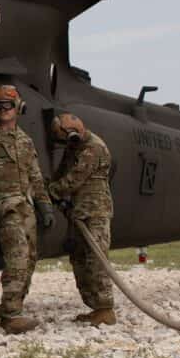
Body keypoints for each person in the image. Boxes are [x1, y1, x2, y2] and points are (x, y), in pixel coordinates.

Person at [0, 85, 55, 334]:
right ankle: (10, 315)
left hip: (26, 208)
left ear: (18, 107)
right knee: (17, 257)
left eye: (8, 105)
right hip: (6, 208)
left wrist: (45, 207)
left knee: (29, 259)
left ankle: (16, 307)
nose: (4, 110)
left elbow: (36, 178)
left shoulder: (25, 141)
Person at [48, 113, 116, 327]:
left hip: (95, 211)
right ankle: (93, 306)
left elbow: (74, 179)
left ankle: (105, 309)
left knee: (96, 259)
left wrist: (51, 191)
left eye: (62, 136)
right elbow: (61, 174)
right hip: (78, 212)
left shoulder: (93, 147)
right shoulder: (73, 147)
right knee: (79, 258)